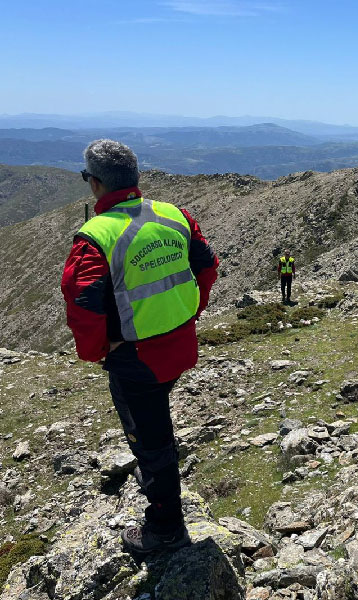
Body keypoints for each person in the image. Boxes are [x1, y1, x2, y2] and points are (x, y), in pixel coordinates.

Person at [61, 139, 218, 554]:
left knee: (150, 439)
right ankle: (158, 470)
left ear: (95, 184)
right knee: (155, 423)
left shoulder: (96, 236)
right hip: (180, 347)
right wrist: (188, 313)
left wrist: (100, 350)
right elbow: (207, 266)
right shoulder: (175, 215)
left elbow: (82, 302)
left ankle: (166, 527)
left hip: (135, 361)